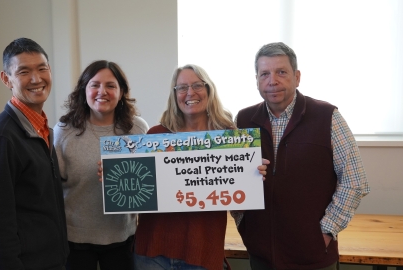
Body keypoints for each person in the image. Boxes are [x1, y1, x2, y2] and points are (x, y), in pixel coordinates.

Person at [232, 42, 370, 270]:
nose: (272, 80)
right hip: (261, 257)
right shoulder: (243, 120)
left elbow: (355, 181)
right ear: (256, 79)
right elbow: (234, 177)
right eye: (264, 73)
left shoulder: (327, 117)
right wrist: (243, 221)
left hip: (313, 258)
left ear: (297, 77)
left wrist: (325, 231)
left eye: (281, 72)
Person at [131, 64, 268, 270]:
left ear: (209, 90)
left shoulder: (229, 137)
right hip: (153, 252)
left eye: (197, 85)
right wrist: (116, 175)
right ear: (174, 94)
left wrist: (251, 176)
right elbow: (139, 194)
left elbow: (238, 205)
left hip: (203, 252)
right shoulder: (156, 136)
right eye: (182, 87)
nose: (190, 93)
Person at [0, 37, 69, 269]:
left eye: (42, 69)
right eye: (24, 71)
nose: (36, 79)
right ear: (6, 79)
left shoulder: (43, 129)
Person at [54, 60, 149, 270]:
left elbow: (148, 186)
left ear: (121, 91)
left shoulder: (138, 129)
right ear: (83, 90)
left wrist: (125, 175)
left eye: (110, 86)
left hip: (122, 237)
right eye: (94, 84)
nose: (101, 91)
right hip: (75, 239)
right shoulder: (63, 130)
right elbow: (52, 187)